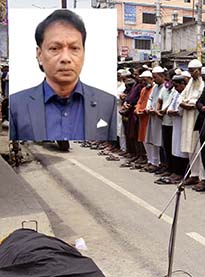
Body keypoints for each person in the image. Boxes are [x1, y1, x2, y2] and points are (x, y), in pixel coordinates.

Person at [9, 9, 117, 141]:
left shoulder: (107, 104)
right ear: (39, 54)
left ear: (84, 52)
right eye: (55, 48)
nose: (66, 58)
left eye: (74, 48)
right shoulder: (15, 106)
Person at [179, 59, 204, 185]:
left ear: (199, 70)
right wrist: (183, 103)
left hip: (197, 117)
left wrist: (191, 104)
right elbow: (181, 96)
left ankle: (201, 177)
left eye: (192, 71)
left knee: (198, 146)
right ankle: (193, 174)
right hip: (187, 117)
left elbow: (201, 99)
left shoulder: (203, 83)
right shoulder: (190, 84)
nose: (191, 74)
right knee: (190, 146)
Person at [142, 66, 165, 173]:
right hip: (152, 116)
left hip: (160, 117)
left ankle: (160, 163)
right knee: (152, 140)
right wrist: (148, 108)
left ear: (162, 76)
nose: (154, 80)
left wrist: (157, 110)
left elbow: (162, 101)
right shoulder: (155, 87)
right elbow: (150, 99)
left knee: (160, 141)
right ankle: (154, 162)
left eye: (155, 77)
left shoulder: (166, 87)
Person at [133, 70, 154, 170]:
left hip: (149, 117)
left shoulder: (154, 89)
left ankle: (155, 161)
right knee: (144, 139)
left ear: (151, 79)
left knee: (151, 139)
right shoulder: (143, 90)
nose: (144, 83)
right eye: (142, 80)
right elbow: (139, 101)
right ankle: (149, 160)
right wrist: (137, 110)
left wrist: (144, 110)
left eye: (145, 80)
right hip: (142, 117)